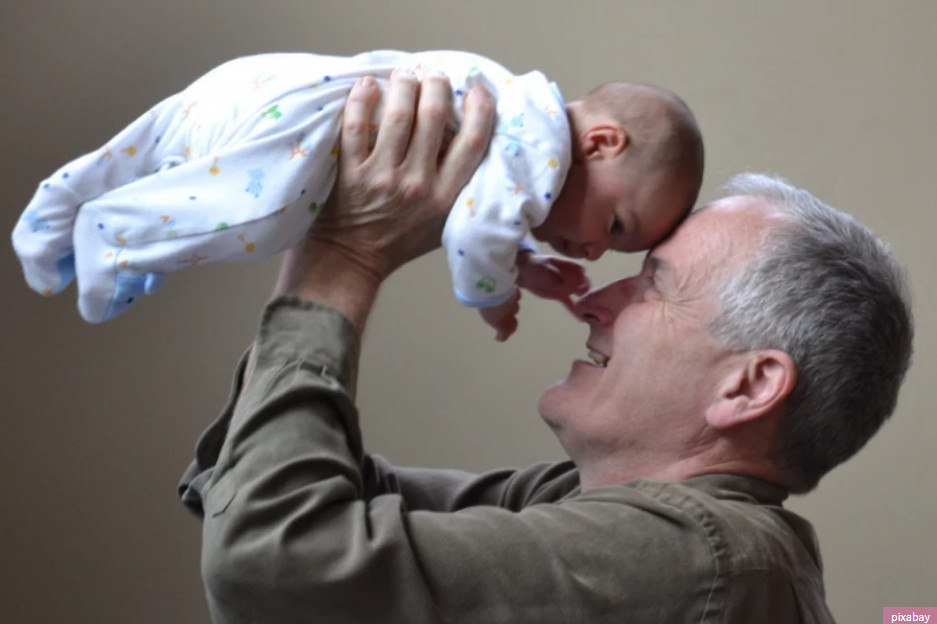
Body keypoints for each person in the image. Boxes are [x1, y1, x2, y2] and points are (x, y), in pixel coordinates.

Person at [178, 73, 913, 623]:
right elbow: (251, 482)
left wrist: (344, 255)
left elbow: (270, 560)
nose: (592, 301)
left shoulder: (696, 557)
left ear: (747, 387)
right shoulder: (591, 505)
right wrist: (360, 213)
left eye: (651, 286)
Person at [11, 50, 703, 339]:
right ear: (600, 143)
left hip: (266, 87)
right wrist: (493, 297)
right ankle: (114, 234)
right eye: (616, 226)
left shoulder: (519, 112)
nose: (594, 250)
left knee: (153, 153)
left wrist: (524, 263)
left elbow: (486, 208)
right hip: (303, 128)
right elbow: (471, 236)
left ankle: (64, 217)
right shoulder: (540, 143)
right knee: (262, 219)